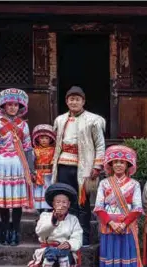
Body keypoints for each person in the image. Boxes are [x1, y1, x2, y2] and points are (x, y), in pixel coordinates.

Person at [52, 86, 106, 247]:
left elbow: (100, 145)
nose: (74, 102)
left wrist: (97, 166)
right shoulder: (60, 120)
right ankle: (66, 235)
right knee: (64, 200)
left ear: (83, 101)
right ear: (66, 101)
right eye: (71, 99)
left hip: (83, 167)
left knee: (82, 203)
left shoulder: (93, 120)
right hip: (63, 165)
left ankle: (84, 237)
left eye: (77, 99)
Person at [94, 145, 147, 267]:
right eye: (115, 162)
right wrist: (111, 223)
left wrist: (123, 224)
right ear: (110, 165)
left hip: (127, 227)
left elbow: (138, 208)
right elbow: (98, 207)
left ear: (128, 165)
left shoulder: (134, 184)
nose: (118, 165)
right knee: (111, 260)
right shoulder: (103, 183)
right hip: (109, 227)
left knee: (126, 261)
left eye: (122, 162)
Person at [0, 88, 35, 247]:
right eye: (9, 104)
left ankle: (16, 230)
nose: (13, 107)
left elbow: (28, 148)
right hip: (2, 164)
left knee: (17, 201)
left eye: (15, 104)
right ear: (4, 106)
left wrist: (31, 169)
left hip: (19, 165)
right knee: (5, 201)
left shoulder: (24, 125)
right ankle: (5, 229)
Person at [31, 183, 83, 267]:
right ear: (53, 204)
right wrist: (54, 219)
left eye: (64, 202)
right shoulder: (45, 216)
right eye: (58, 202)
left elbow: (78, 237)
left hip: (66, 251)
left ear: (69, 204)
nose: (61, 205)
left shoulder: (73, 219)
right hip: (48, 250)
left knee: (63, 254)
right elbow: (40, 232)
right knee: (51, 253)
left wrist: (69, 244)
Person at [32, 124, 56, 214]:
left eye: (46, 138)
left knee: (48, 191)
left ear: (50, 139)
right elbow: (31, 162)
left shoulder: (54, 150)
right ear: (38, 139)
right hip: (38, 175)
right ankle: (40, 212)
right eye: (41, 138)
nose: (44, 140)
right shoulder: (34, 150)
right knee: (38, 192)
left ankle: (49, 210)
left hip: (49, 175)